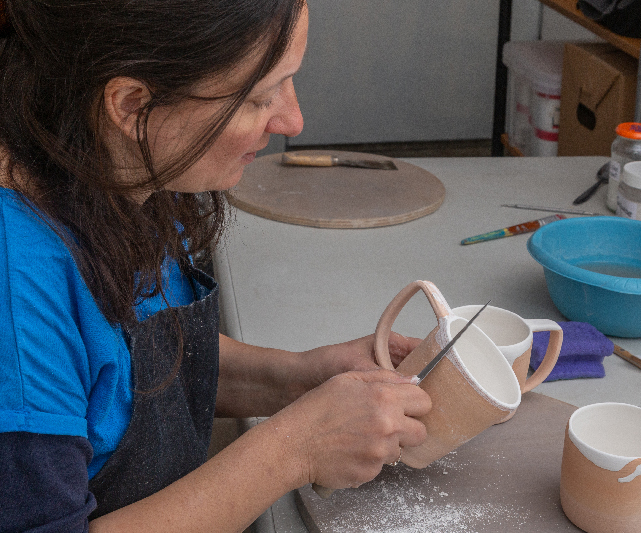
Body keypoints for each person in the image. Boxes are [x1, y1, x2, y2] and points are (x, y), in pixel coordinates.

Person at [0, 1, 431, 531]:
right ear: (133, 105)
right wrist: (295, 448)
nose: (293, 120)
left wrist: (297, 379)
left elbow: (120, 374)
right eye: (259, 97)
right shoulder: (17, 296)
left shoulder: (116, 167)